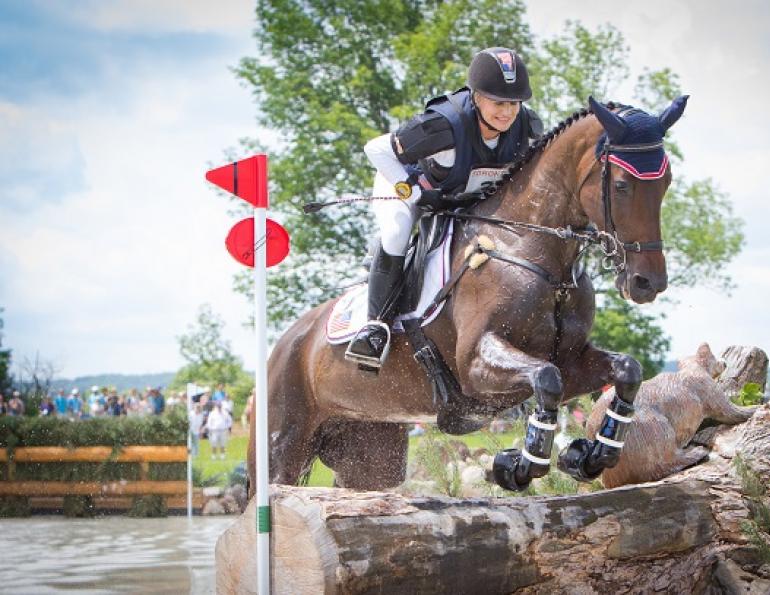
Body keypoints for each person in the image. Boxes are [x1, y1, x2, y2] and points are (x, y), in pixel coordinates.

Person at [346, 47, 543, 369]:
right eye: (498, 102)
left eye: (513, 103)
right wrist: (414, 193)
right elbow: (377, 149)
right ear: (476, 96)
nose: (507, 112)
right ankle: (375, 327)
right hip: (405, 183)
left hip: (459, 198)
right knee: (397, 232)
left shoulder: (527, 127)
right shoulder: (444, 125)